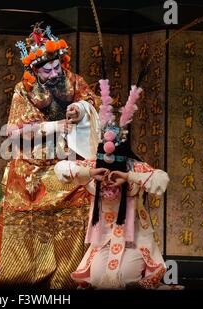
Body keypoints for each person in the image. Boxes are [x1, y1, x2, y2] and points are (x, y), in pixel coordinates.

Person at [0, 23, 102, 289]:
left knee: (80, 202)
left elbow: (94, 103)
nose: (52, 73)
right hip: (32, 167)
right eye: (46, 70)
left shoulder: (73, 81)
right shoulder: (23, 90)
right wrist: (54, 126)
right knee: (27, 215)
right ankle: (22, 276)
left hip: (67, 162)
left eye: (56, 67)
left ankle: (71, 277)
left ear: (62, 62)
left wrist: (80, 110)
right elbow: (14, 131)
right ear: (34, 70)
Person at [55, 80, 170, 289]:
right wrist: (90, 173)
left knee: (123, 280)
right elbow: (60, 169)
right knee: (99, 280)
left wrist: (128, 178)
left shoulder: (133, 168)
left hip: (133, 239)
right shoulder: (93, 168)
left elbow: (162, 180)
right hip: (104, 240)